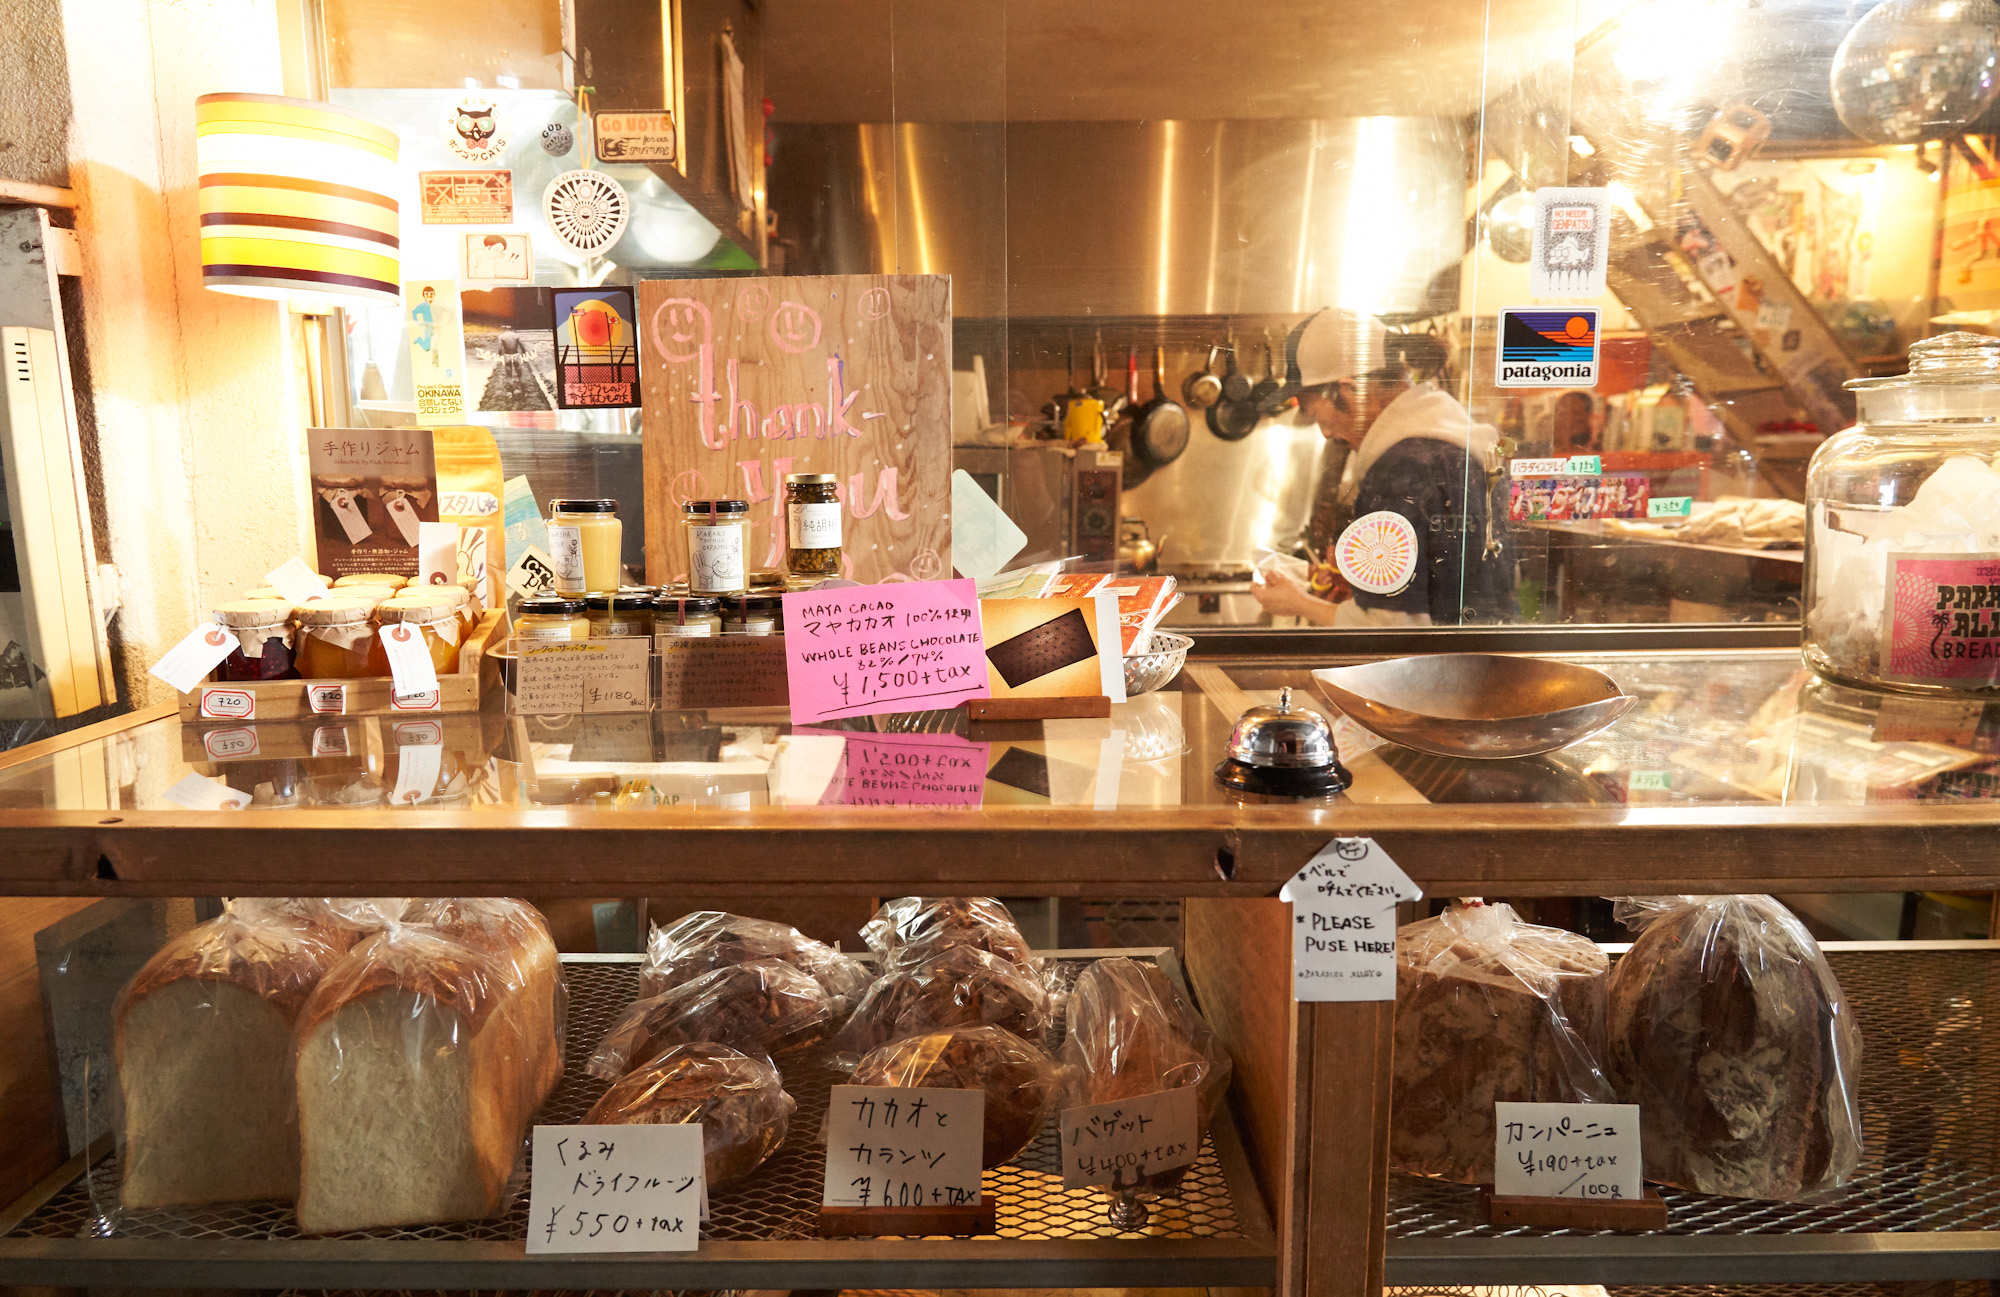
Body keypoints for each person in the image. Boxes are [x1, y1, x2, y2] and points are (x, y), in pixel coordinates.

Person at [1254, 308, 1516, 627]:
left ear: (1351, 391)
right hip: (1488, 664)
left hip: (1433, 674)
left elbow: (1389, 631)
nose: (1326, 433)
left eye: (1316, 414)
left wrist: (1299, 603)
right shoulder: (1468, 450)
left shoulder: (1397, 471)